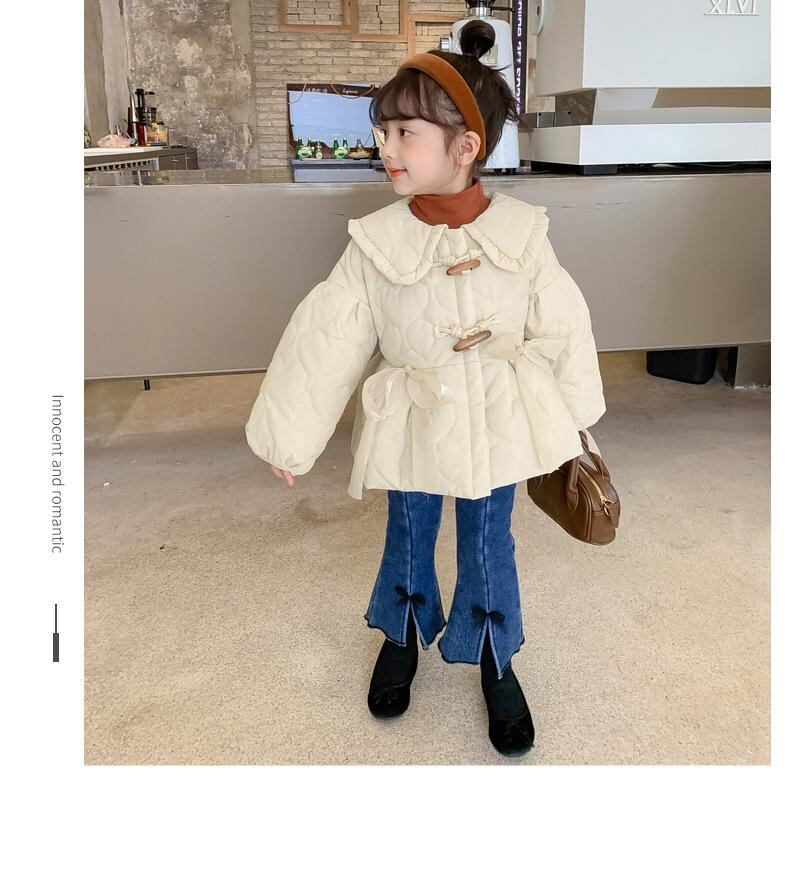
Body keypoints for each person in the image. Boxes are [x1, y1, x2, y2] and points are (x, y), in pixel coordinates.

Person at [245, 20, 606, 757]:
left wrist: (572, 420)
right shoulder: (375, 243)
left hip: (499, 419)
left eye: (404, 132)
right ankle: (403, 633)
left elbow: (562, 325)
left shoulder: (524, 236)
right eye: (382, 131)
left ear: (465, 147)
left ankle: (495, 654)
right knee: (409, 534)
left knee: (490, 541)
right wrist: (291, 435)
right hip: (410, 417)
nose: (386, 147)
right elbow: (328, 335)